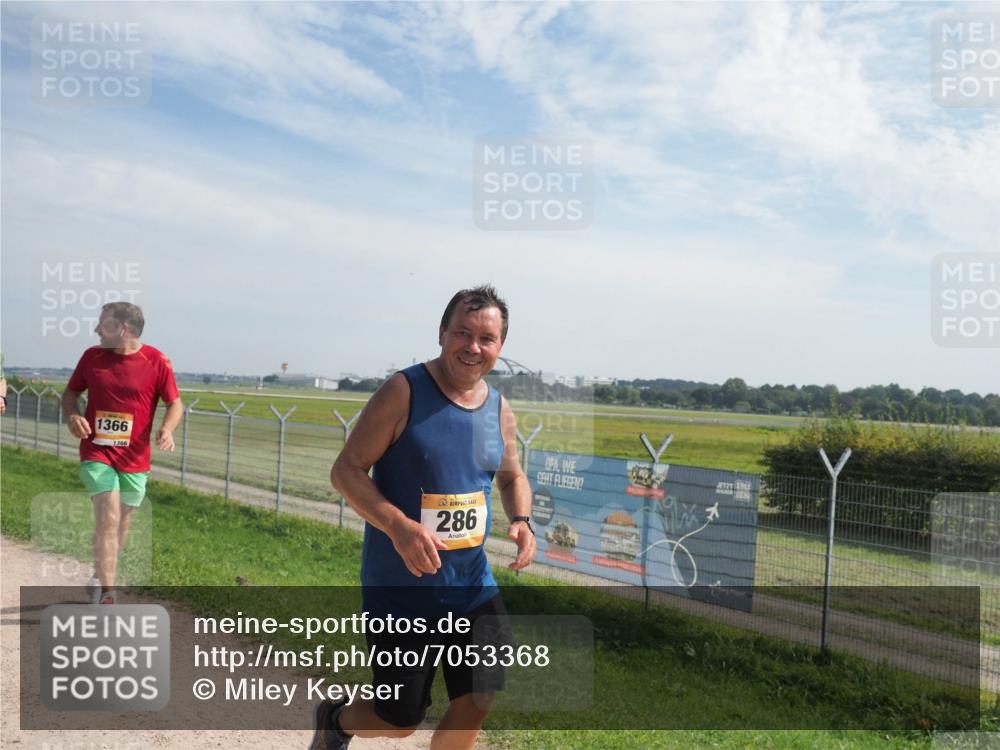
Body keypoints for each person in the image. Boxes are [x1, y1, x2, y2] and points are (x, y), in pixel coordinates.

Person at [315, 285, 536, 750]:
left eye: (486, 338)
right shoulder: (404, 391)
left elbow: (512, 476)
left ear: (500, 347)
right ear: (441, 333)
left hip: (472, 585)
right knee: (399, 719)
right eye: (462, 333)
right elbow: (346, 471)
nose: (473, 347)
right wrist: (398, 526)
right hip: (401, 590)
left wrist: (521, 519)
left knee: (480, 694)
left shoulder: (500, 410)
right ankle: (336, 719)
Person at [61, 302, 182, 604]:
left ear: (122, 328)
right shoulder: (92, 357)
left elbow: (175, 403)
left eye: (102, 324)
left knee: (120, 525)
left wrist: (167, 429)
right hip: (96, 453)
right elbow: (71, 393)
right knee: (109, 518)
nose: (96, 329)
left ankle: (98, 574)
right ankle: (107, 595)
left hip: (135, 459)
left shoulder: (157, 361)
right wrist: (73, 415)